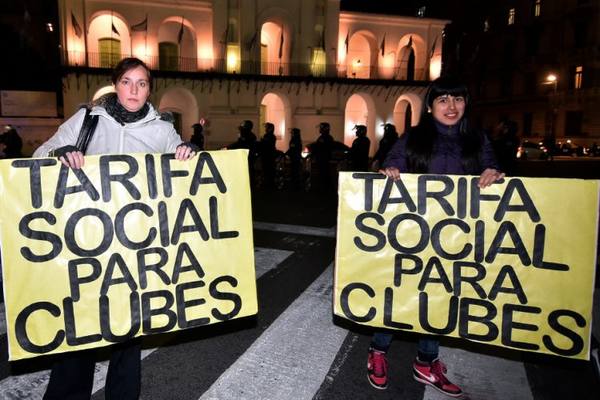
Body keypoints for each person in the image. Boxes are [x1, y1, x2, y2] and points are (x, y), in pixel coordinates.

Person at [33, 57, 198, 400]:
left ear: (150, 89)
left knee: (128, 329)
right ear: (115, 85)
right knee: (80, 326)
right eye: (126, 82)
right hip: (87, 242)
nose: (134, 90)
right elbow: (39, 155)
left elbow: (184, 172)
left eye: (142, 83)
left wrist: (187, 151)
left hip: (135, 246)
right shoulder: (87, 120)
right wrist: (59, 153)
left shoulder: (161, 129)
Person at [369, 76, 505, 397]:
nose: (451, 106)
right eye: (443, 100)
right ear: (430, 107)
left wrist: (494, 174)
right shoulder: (413, 139)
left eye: (457, 100)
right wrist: (389, 172)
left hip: (456, 237)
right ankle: (377, 351)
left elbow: (492, 169)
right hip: (413, 233)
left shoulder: (478, 139)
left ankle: (426, 362)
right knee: (400, 293)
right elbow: (393, 165)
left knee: (440, 298)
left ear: (465, 104)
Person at [307, 122, 334, 191]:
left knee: (324, 174)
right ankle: (323, 188)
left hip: (324, 159)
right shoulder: (322, 137)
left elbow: (320, 148)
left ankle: (325, 189)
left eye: (321, 128)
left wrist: (312, 152)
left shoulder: (327, 138)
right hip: (321, 159)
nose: (320, 129)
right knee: (321, 174)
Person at [259, 122, 277, 189]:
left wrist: (262, 141)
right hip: (266, 156)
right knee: (266, 170)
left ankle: (269, 184)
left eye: (266, 127)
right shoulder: (267, 135)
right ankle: (267, 183)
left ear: (270, 129)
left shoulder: (271, 136)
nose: (265, 129)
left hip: (269, 156)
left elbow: (268, 145)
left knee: (268, 170)